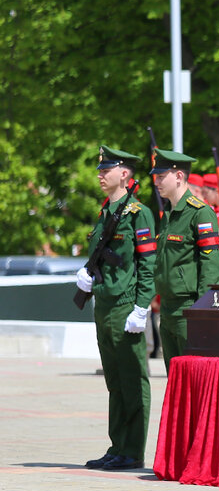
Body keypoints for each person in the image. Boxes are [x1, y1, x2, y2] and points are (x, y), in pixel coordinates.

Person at [76, 146, 156, 471]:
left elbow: (147, 265)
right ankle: (117, 445)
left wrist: (142, 307)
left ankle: (132, 450)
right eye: (100, 169)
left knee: (133, 378)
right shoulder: (105, 213)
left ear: (124, 173)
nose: (100, 174)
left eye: (106, 169)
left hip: (125, 306)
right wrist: (86, 274)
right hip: (103, 304)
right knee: (114, 380)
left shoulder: (138, 213)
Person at [150, 149, 219, 374]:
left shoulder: (200, 213)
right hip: (168, 307)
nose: (156, 182)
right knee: (174, 379)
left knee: (194, 377)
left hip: (189, 308)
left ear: (179, 177)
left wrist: (203, 311)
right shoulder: (169, 214)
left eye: (162, 177)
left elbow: (211, 267)